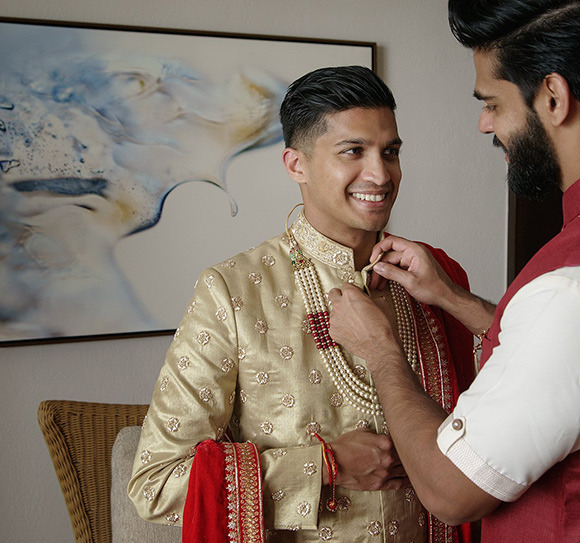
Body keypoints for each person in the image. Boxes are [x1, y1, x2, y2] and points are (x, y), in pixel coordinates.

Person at [327, 2, 580, 542]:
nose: (485, 125)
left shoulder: (578, 282)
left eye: (492, 103)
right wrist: (456, 300)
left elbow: (452, 492)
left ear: (553, 97)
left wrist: (381, 351)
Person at [129, 65, 475, 543]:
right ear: (297, 165)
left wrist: (452, 296)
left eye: (390, 152)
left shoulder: (432, 280)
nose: (380, 173)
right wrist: (324, 466)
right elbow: (156, 483)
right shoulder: (232, 292)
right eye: (353, 151)